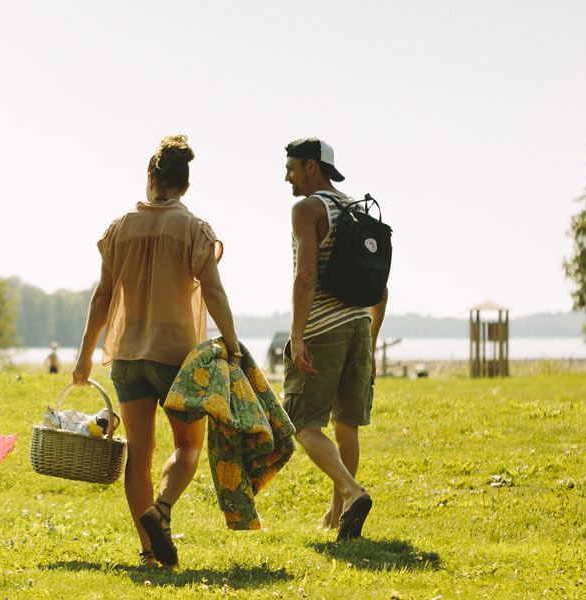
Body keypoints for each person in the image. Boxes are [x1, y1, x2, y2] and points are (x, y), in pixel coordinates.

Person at [73, 135, 242, 568]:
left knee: (139, 454)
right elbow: (215, 292)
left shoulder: (119, 228)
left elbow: (102, 297)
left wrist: (84, 355)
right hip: (176, 356)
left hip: (127, 355)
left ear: (151, 179)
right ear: (184, 185)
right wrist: (233, 342)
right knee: (187, 446)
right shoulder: (194, 229)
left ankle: (149, 555)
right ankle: (161, 509)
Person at [282, 137, 386, 541]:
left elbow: (306, 275)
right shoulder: (356, 209)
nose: (286, 177)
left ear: (311, 167)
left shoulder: (307, 209)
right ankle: (339, 513)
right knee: (346, 425)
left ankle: (351, 491)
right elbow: (381, 289)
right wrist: (372, 344)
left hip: (324, 328)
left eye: (291, 168)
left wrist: (297, 334)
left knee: (303, 422)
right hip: (360, 324)